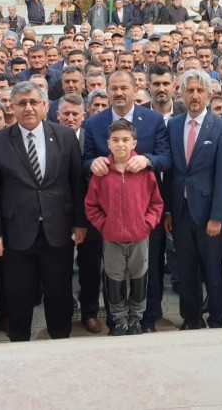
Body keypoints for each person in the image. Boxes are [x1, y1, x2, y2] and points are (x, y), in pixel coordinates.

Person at [0, 81, 85, 341]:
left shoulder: (64, 136)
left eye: (33, 102)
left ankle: (60, 341)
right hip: (16, 234)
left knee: (59, 292)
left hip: (57, 229)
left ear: (44, 106)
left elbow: (77, 183)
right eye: (21, 103)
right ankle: (20, 344)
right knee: (18, 296)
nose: (28, 108)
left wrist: (79, 223)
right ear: (12, 108)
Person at [83, 70, 171, 333]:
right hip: (110, 215)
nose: (119, 93)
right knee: (113, 274)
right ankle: (117, 321)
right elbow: (84, 159)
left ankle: (147, 320)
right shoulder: (95, 123)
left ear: (136, 90)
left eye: (124, 88)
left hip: (141, 212)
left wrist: (148, 160)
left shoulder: (153, 120)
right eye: (114, 88)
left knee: (147, 269)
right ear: (107, 91)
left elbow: (166, 157)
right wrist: (93, 162)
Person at [164, 70, 222, 330]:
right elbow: (171, 172)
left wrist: (217, 216)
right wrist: (169, 212)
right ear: (181, 94)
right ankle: (191, 318)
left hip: (209, 215)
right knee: (186, 270)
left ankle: (217, 318)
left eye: (199, 90)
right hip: (181, 213)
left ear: (208, 94)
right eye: (190, 90)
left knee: (213, 270)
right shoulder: (172, 125)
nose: (194, 95)